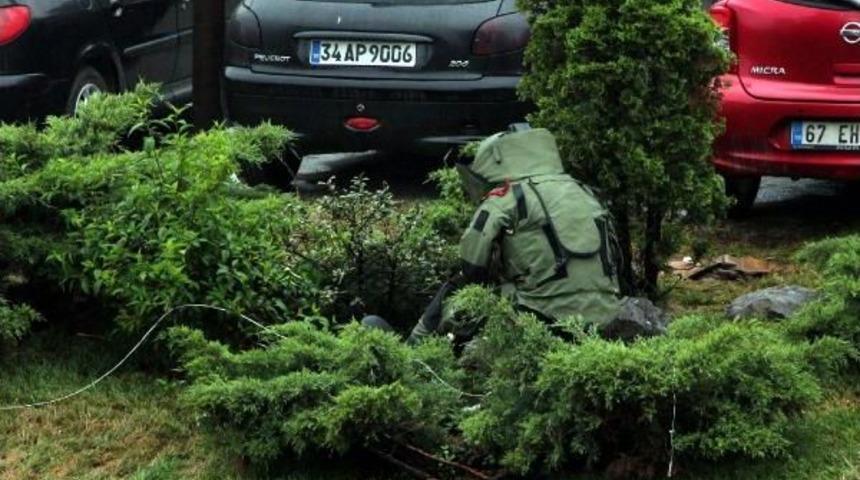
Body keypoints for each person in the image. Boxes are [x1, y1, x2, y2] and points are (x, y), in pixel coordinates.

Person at [366, 126, 622, 344]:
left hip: (542, 316)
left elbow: (471, 265)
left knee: (458, 290)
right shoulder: (585, 193)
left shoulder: (505, 199)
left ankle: (417, 346)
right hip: (605, 314)